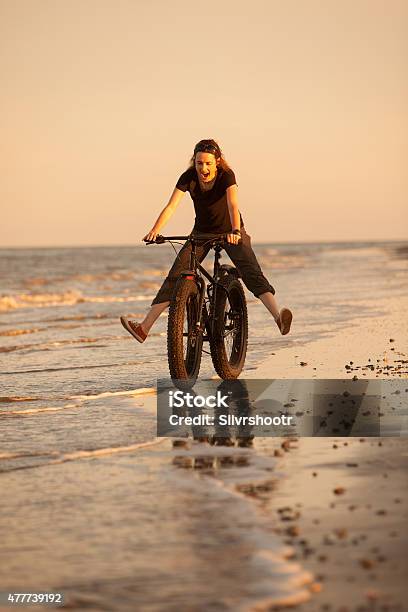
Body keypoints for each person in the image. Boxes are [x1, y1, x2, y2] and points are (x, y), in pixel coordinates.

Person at [120, 139, 292, 343]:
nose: (203, 168)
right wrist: (155, 230)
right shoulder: (188, 176)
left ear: (217, 162)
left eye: (208, 163)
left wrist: (236, 230)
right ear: (194, 162)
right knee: (176, 276)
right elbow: (171, 206)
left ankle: (278, 318)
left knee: (250, 271)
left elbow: (232, 203)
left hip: (231, 230)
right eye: (199, 163)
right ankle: (144, 328)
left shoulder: (227, 175)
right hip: (201, 232)